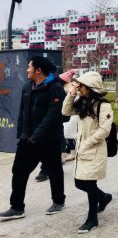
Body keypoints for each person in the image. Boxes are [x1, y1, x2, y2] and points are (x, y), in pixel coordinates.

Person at [0, 57, 66, 221]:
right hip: (27, 140)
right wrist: (22, 134)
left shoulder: (56, 88)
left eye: (29, 67)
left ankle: (58, 201)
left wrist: (36, 136)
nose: (27, 70)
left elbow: (53, 116)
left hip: (49, 140)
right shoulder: (27, 86)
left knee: (54, 171)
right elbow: (23, 112)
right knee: (19, 171)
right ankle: (16, 207)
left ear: (38, 70)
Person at [62, 71, 113, 233]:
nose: (79, 88)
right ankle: (103, 197)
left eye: (81, 85)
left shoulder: (103, 105)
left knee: (90, 184)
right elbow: (65, 111)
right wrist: (71, 94)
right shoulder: (82, 102)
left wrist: (88, 143)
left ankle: (92, 219)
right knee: (79, 183)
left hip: (94, 149)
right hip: (82, 149)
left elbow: (104, 130)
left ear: (90, 88)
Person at [35, 69, 78, 182]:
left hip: (54, 121)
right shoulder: (53, 86)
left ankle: (45, 170)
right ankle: (52, 168)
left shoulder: (57, 87)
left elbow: (64, 107)